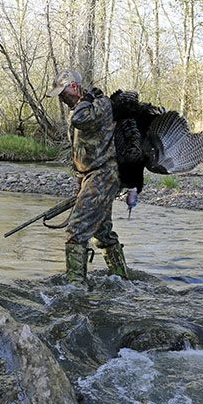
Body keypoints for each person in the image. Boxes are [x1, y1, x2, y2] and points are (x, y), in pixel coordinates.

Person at [46, 69, 128, 281]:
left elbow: (80, 120)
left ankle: (75, 288)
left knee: (76, 230)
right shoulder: (82, 106)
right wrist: (80, 184)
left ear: (74, 87)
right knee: (101, 232)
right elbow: (81, 151)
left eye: (63, 94)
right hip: (93, 176)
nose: (62, 99)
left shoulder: (98, 104)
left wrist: (87, 99)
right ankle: (121, 279)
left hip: (105, 173)